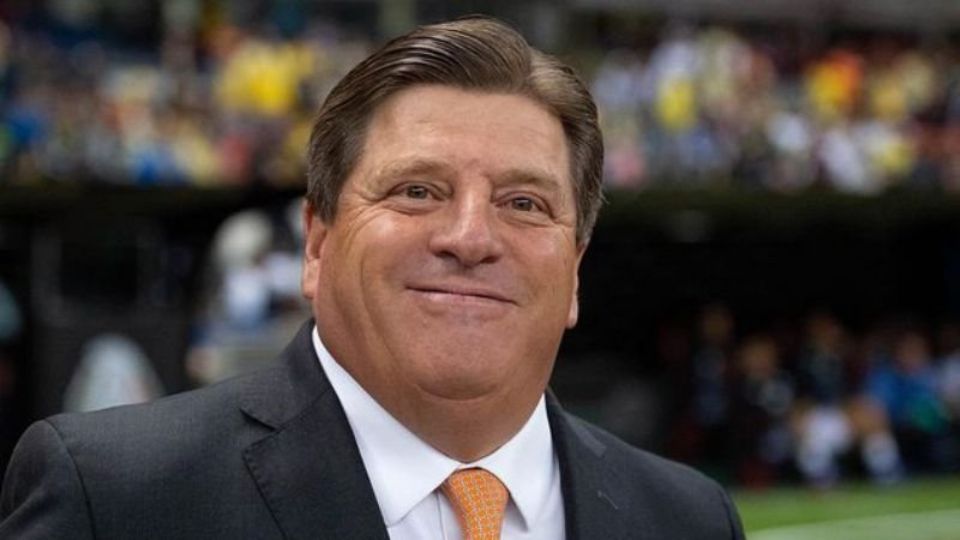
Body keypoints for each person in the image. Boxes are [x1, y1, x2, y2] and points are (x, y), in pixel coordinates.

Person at [0, 17, 744, 539]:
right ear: (317, 242)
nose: (470, 238)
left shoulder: (689, 520)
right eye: (417, 191)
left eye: (524, 203)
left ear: (575, 269)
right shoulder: (115, 498)